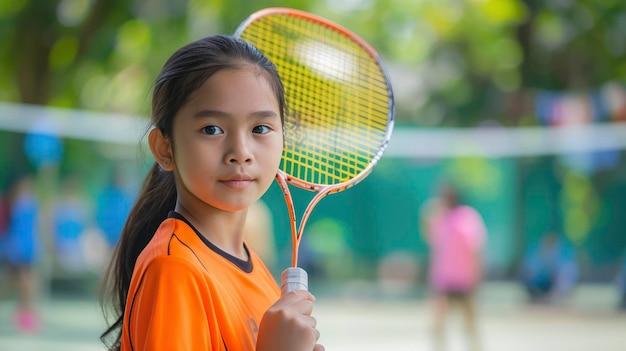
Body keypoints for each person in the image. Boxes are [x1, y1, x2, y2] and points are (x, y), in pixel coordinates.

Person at [99, 35, 324, 351]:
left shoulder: (255, 269)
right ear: (165, 148)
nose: (241, 152)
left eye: (260, 128)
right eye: (212, 129)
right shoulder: (174, 270)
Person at [421, 182, 486, 351]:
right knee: (439, 321)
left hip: (464, 277)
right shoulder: (439, 217)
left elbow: (476, 248)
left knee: (469, 320)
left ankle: (475, 347)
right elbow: (429, 236)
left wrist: (477, 274)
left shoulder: (468, 216)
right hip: (444, 278)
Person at [0, 175, 41, 333]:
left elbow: (34, 228)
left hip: (28, 251)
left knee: (24, 283)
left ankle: (25, 316)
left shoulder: (31, 204)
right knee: (19, 283)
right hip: (14, 250)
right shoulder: (11, 204)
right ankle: (25, 315)